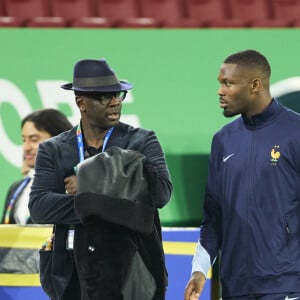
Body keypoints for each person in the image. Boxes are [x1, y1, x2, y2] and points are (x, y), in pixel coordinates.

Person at [29, 58, 172, 300]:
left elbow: (160, 193)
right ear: (81, 102)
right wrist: (110, 199)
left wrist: (89, 182)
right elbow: (40, 207)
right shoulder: (53, 149)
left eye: (118, 94)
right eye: (105, 97)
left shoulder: (142, 140)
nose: (115, 101)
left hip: (133, 273)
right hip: (70, 277)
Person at [184, 49, 300, 300]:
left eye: (228, 83)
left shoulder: (296, 133)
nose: (220, 91)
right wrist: (199, 271)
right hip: (235, 288)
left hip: (286, 286)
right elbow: (212, 218)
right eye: (220, 83)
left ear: (255, 85)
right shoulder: (223, 141)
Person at [1, 108, 72, 225]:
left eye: (34, 139)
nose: (26, 147)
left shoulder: (71, 185)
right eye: (24, 140)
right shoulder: (16, 188)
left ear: (57, 139)